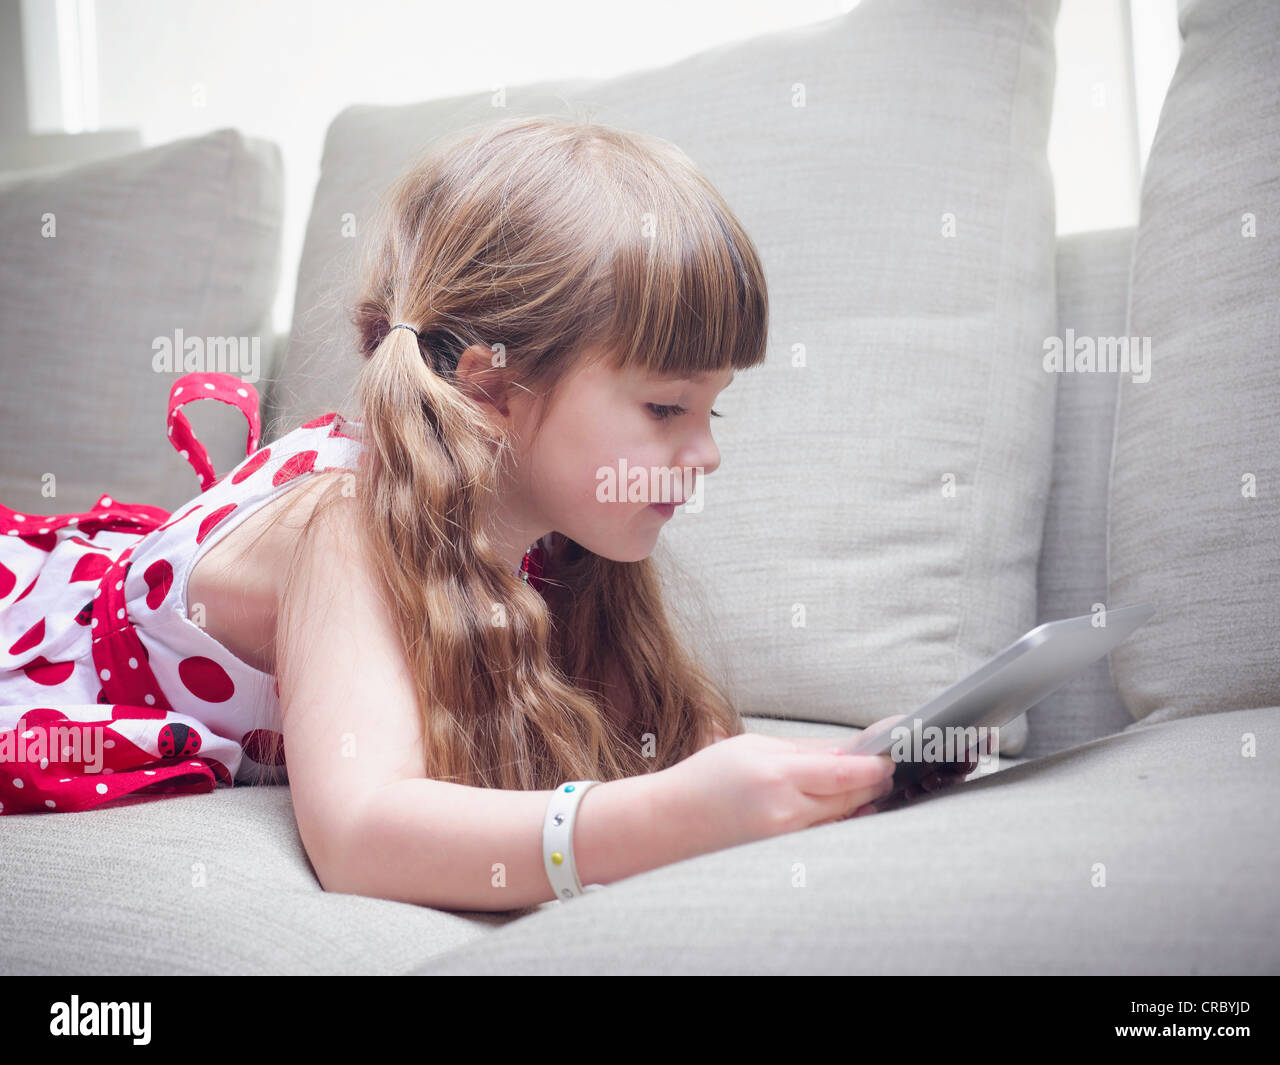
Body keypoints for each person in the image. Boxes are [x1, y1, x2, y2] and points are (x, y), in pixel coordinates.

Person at [0, 115, 975, 908]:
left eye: (710, 410)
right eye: (666, 409)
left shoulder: (555, 535)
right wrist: (662, 823)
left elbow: (667, 744)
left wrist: (846, 769)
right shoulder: (345, 528)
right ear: (494, 392)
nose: (707, 452)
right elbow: (362, 837)